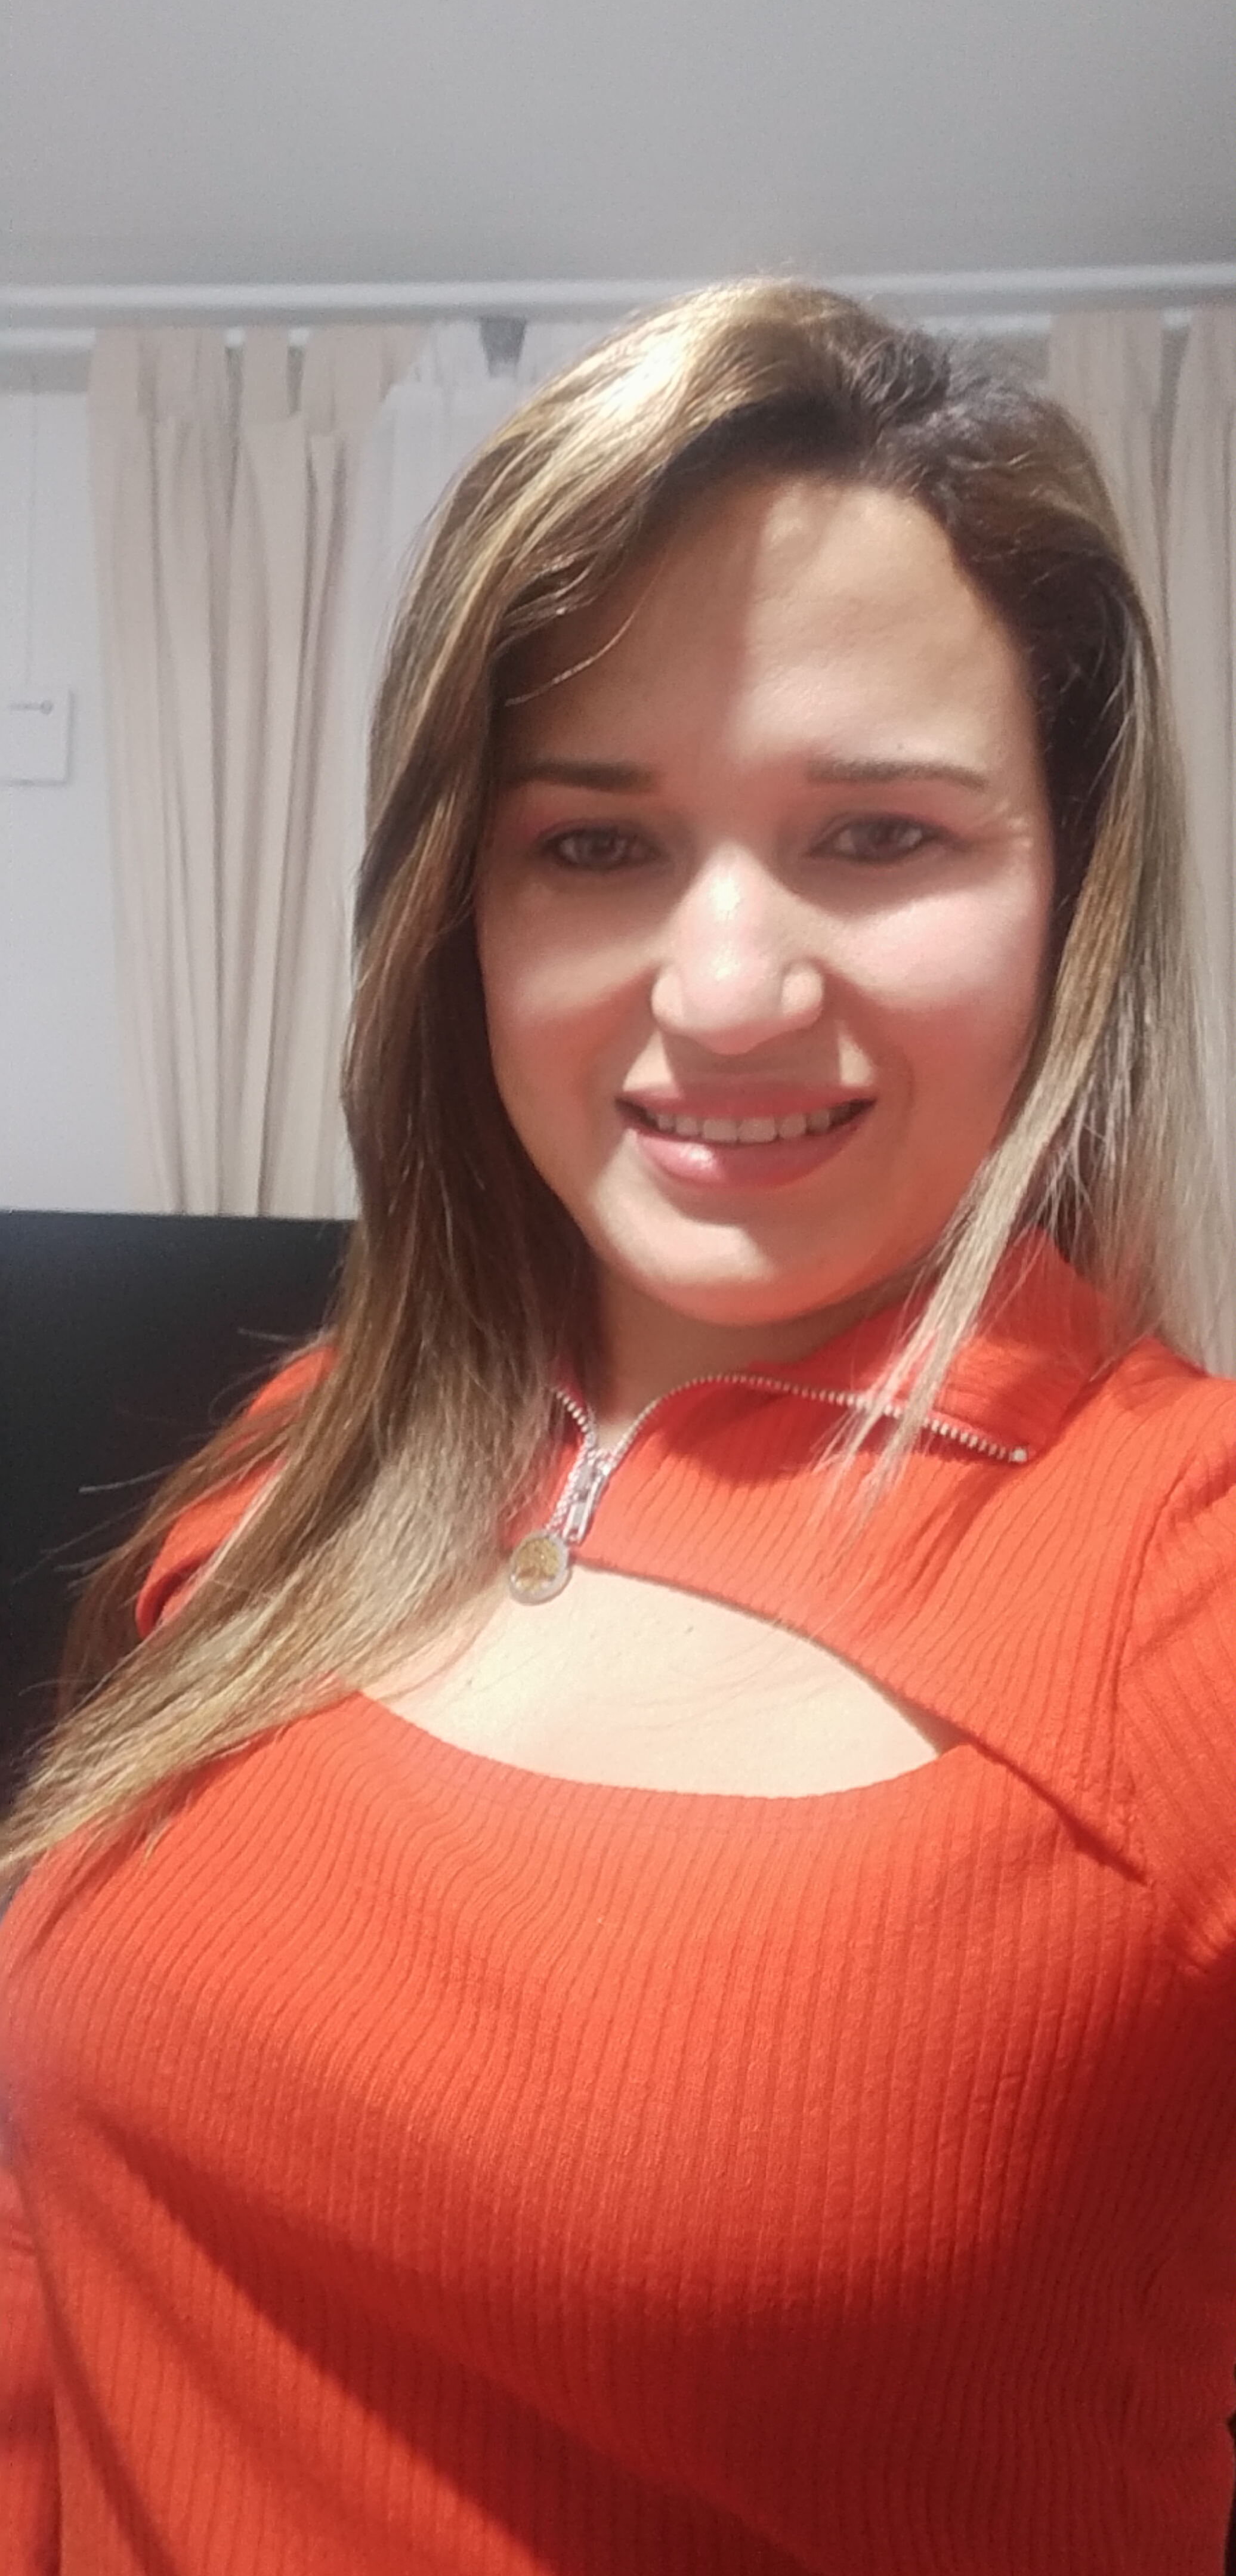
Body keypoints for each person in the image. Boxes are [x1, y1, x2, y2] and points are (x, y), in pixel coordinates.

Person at [2, 279, 1235, 2575]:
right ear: (456, 913)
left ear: (1069, 893)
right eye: (595, 846)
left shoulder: (1190, 1597)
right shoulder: (302, 1465)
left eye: (880, 836)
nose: (730, 991)